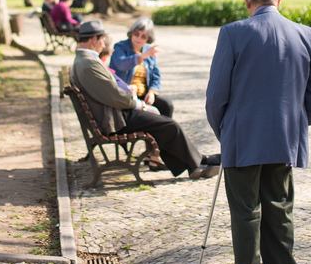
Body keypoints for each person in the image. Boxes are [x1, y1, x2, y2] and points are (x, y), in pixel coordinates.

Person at [205, 0, 311, 264]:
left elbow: (216, 97)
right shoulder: (305, 34)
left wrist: (225, 132)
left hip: (243, 136)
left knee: (246, 210)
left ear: (247, 1)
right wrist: (296, 126)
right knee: (280, 206)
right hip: (284, 137)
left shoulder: (233, 33)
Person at [71, 20, 218, 180]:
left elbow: (112, 91)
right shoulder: (88, 63)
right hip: (116, 118)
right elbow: (114, 95)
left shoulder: (84, 60)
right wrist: (138, 104)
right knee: (169, 125)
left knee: (164, 119)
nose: (104, 43)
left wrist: (143, 94)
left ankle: (195, 163)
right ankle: (198, 163)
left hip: (113, 112)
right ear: (94, 40)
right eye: (102, 39)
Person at [109, 18, 174, 119]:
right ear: (131, 33)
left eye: (143, 36)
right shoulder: (120, 47)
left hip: (144, 94)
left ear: (148, 39)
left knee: (166, 105)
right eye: (136, 34)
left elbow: (156, 76)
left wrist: (152, 92)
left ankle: (164, 132)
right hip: (126, 96)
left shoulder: (149, 50)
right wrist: (142, 56)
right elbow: (122, 64)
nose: (138, 38)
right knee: (151, 115)